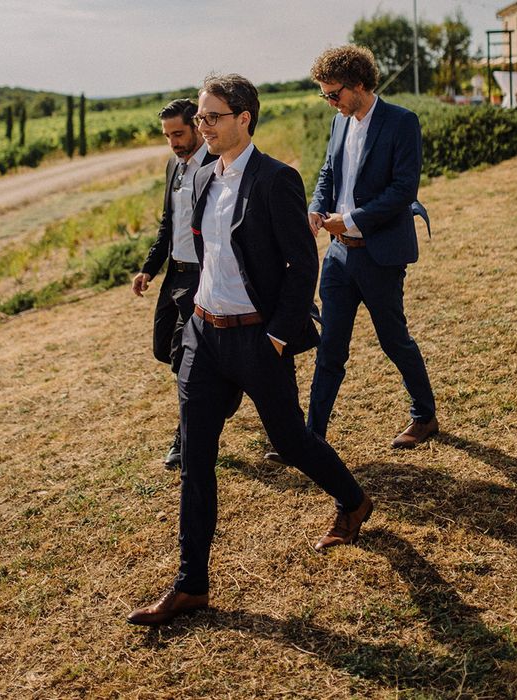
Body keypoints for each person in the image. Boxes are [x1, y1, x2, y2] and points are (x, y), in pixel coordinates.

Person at [127, 74, 372, 627]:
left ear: (244, 118)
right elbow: (202, 254)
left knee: (289, 439)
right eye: (201, 118)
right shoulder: (203, 177)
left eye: (212, 117)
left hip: (256, 337)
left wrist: (278, 336)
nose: (202, 127)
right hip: (203, 334)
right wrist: (188, 314)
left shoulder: (275, 179)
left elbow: (300, 265)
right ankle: (191, 585)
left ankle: (353, 501)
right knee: (195, 459)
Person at [305, 45, 438, 449]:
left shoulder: (401, 122)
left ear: (359, 84)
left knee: (393, 339)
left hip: (380, 255)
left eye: (334, 94)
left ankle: (424, 417)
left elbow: (403, 190)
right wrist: (316, 206)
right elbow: (329, 172)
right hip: (339, 256)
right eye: (325, 95)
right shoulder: (339, 124)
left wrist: (353, 219)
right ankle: (311, 437)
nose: (330, 102)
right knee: (330, 348)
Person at [131, 99, 219, 468]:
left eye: (179, 134)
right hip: (175, 274)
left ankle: (184, 439)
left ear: (197, 127)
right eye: (167, 136)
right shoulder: (174, 165)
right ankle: (221, 388)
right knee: (161, 347)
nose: (173, 143)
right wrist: (149, 268)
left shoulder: (217, 167)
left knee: (186, 358)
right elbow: (167, 223)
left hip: (203, 274)